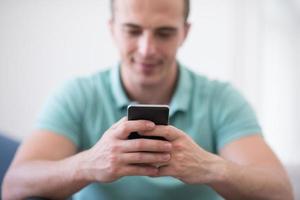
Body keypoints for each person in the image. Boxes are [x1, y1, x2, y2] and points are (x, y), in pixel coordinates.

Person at [2, 0, 294, 199]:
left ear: (184, 33)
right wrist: (90, 163)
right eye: (133, 30)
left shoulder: (222, 99)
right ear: (112, 29)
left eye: (164, 33)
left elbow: (280, 191)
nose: (146, 49)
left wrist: (207, 166)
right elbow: (14, 186)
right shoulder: (77, 95)